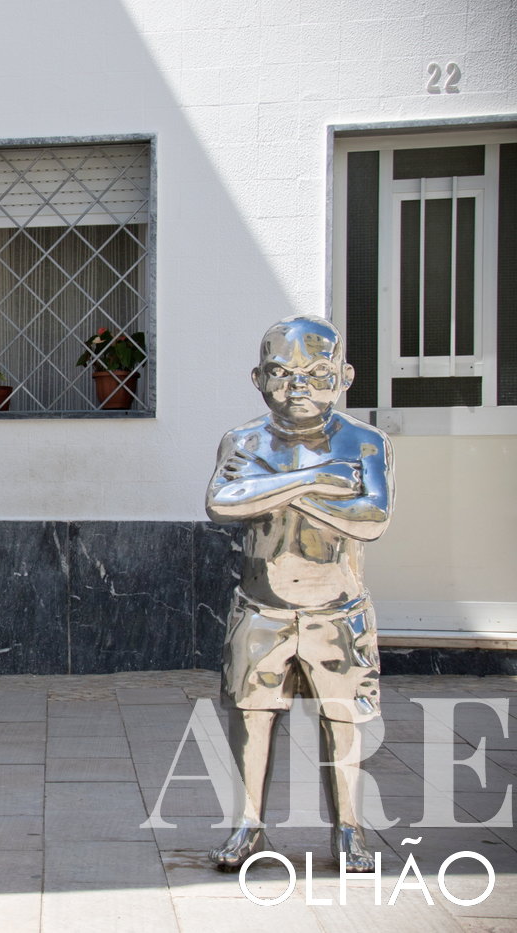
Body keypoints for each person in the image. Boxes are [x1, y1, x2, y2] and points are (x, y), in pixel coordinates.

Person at [205, 314, 394, 872]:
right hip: (261, 609)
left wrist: (266, 487)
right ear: (258, 379)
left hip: (338, 611)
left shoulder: (364, 442)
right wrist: (314, 480)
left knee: (343, 720)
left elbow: (372, 518)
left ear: (345, 376)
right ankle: (248, 827)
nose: (298, 386)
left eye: (317, 372)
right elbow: (221, 504)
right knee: (251, 717)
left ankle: (349, 831)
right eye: (282, 372)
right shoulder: (242, 440)